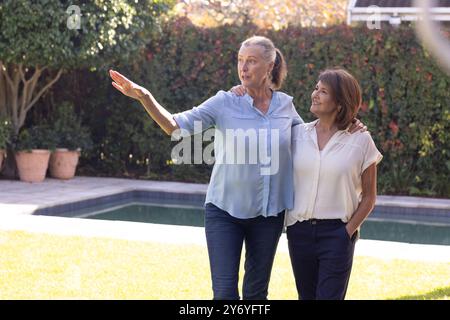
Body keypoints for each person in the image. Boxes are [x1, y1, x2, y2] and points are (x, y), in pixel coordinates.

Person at [110, 36, 302, 300]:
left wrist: (348, 127)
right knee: (224, 295)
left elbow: (310, 142)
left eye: (251, 62)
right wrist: (145, 97)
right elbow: (175, 127)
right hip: (224, 213)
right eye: (240, 60)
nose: (243, 68)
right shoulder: (224, 102)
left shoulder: (285, 106)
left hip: (268, 216)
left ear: (269, 66)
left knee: (256, 295)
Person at [285, 68, 382, 300]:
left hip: (337, 234)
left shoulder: (361, 140)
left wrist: (347, 232)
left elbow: (369, 197)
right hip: (299, 232)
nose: (314, 94)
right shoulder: (297, 135)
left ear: (340, 102)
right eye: (316, 88)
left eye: (323, 91)